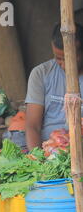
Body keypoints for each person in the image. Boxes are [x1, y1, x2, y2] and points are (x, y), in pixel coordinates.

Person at [25, 23, 83, 151]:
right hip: (48, 151)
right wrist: (38, 160)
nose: (63, 65)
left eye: (69, 58)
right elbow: (32, 126)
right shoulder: (41, 73)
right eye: (59, 58)